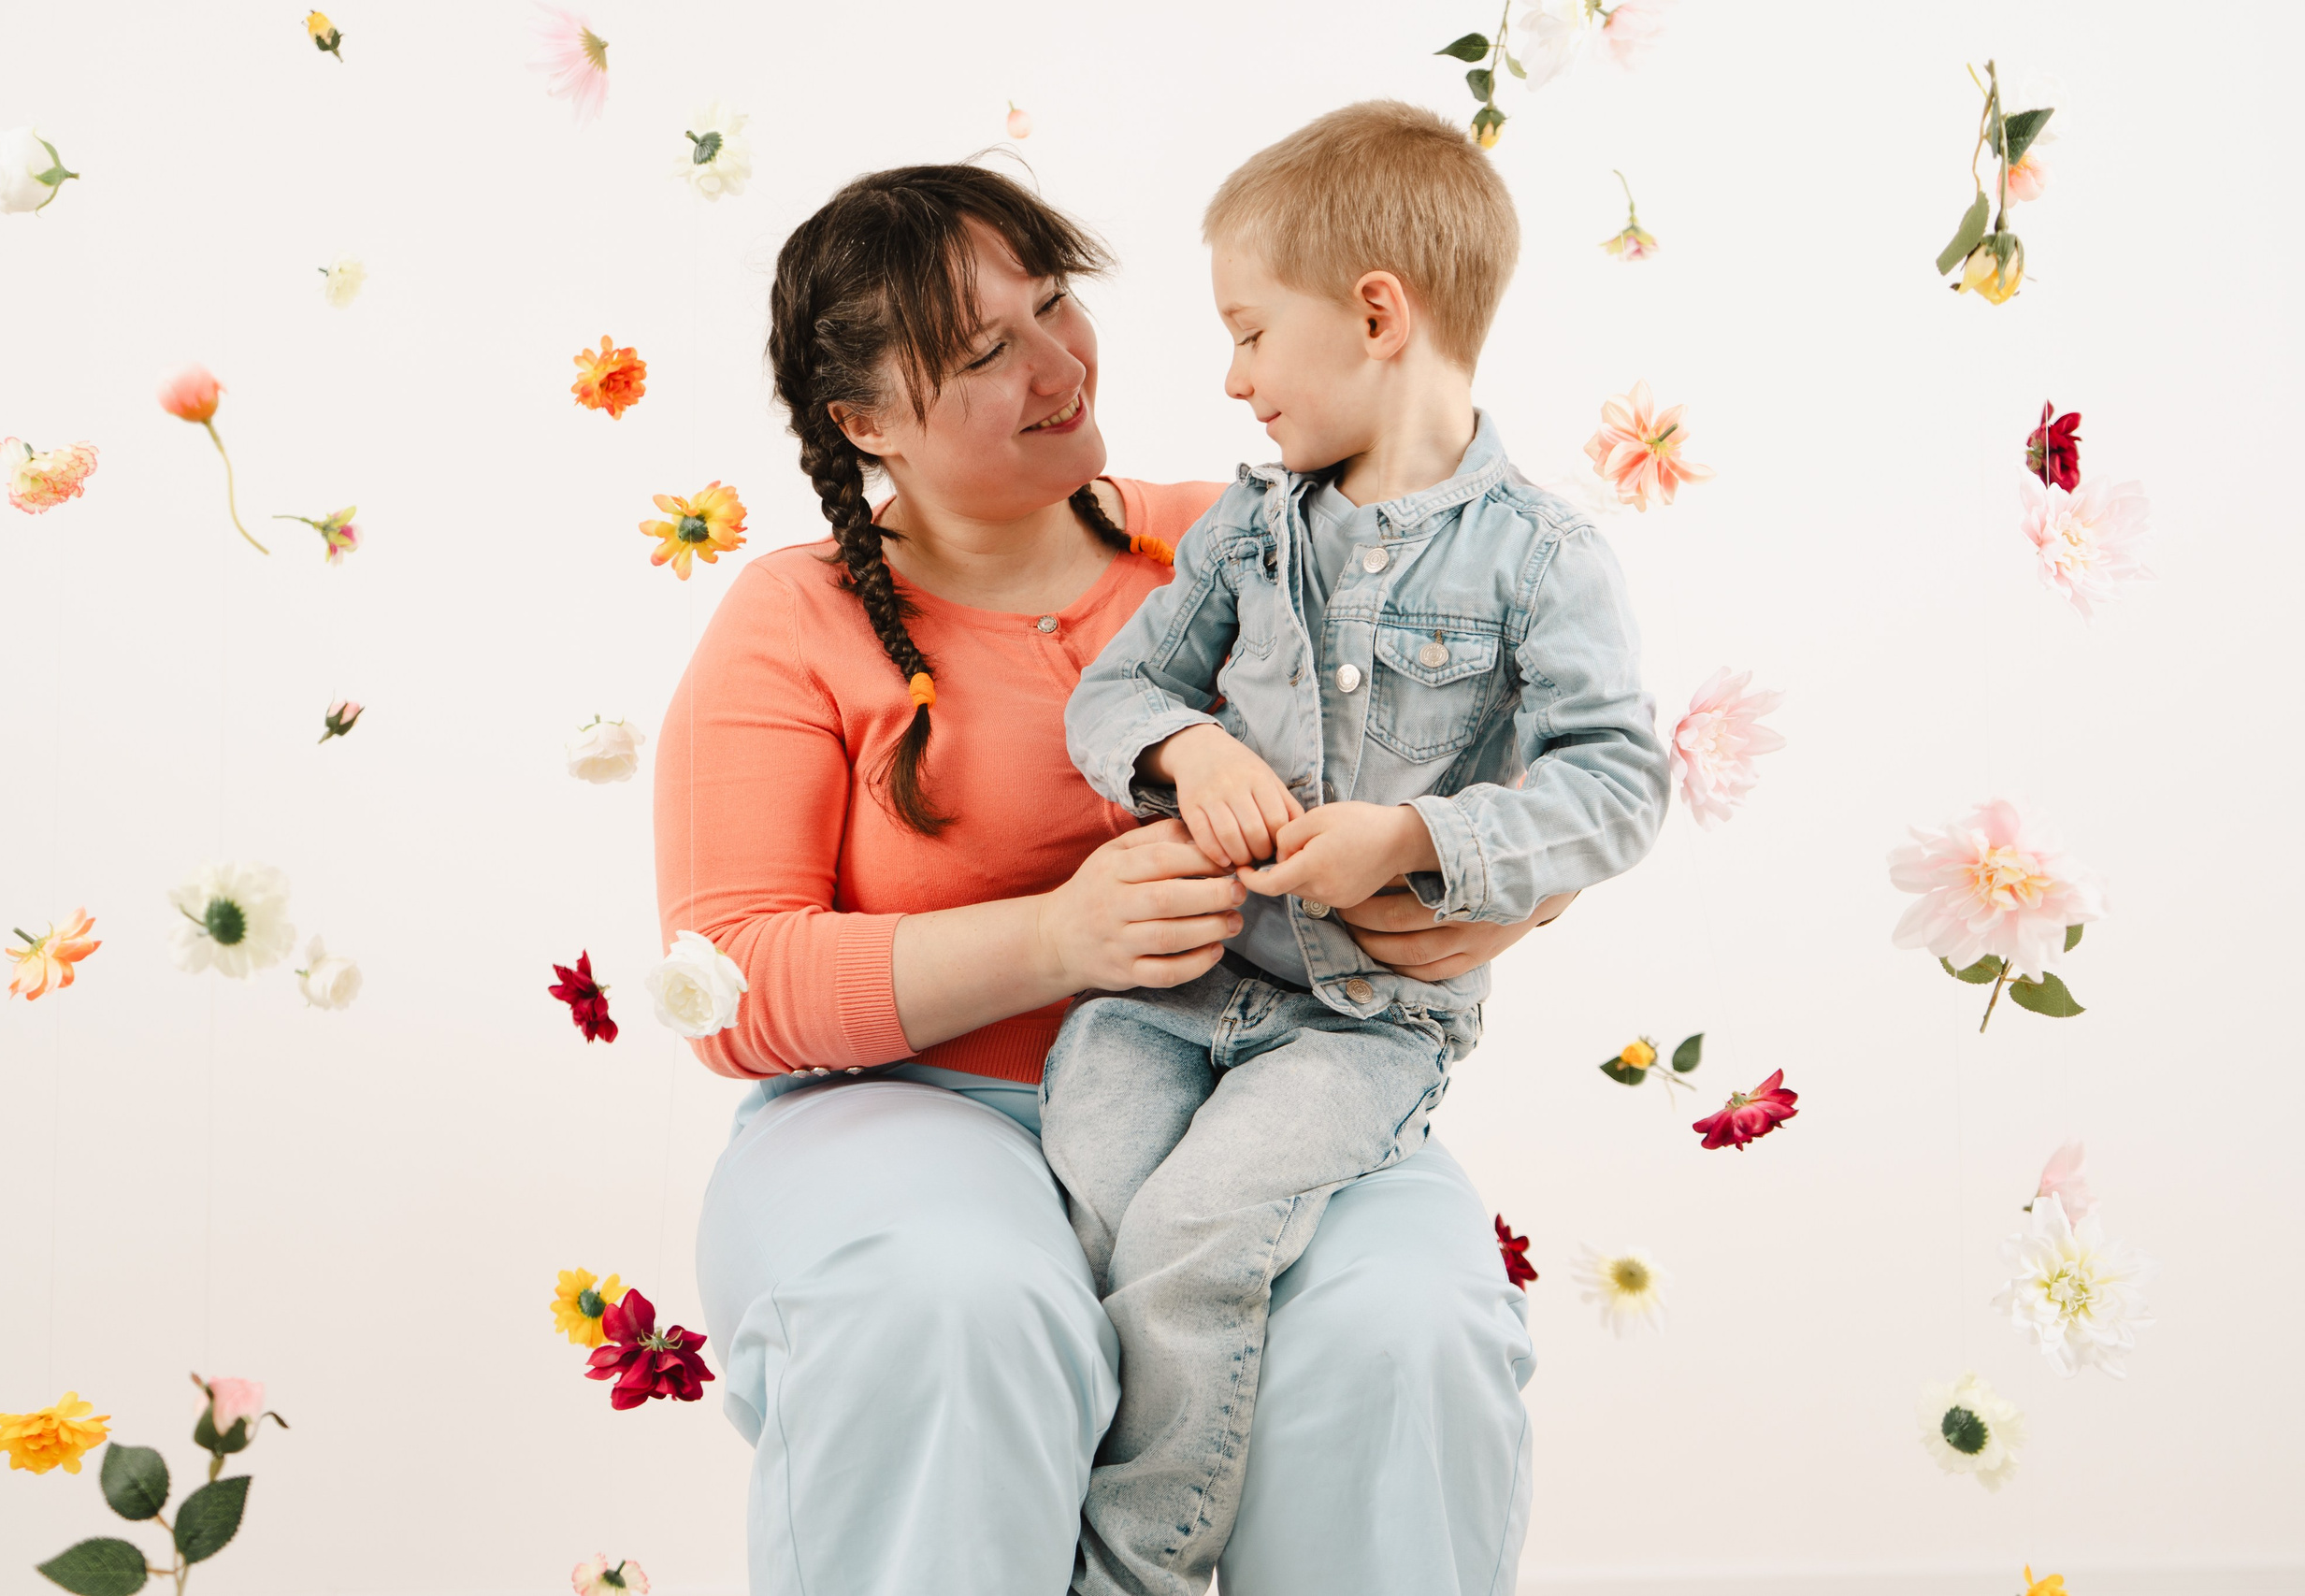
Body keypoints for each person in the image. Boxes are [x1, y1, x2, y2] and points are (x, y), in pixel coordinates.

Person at [656, 161, 1550, 1596]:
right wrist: (1063, 941)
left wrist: (1490, 888)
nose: (1060, 364)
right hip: (919, 1109)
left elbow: (1521, 734)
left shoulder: (1251, 536)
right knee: (952, 1310)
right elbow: (730, 980)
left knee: (1408, 1329)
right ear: (865, 421)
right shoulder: (792, 618)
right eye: (981, 351)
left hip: (1273, 1082)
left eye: (1056, 303)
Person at [1040, 101, 1672, 1596]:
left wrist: (1419, 836)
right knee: (1093, 1195)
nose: (1234, 376)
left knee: (1201, 1227)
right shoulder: (1250, 533)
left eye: (1253, 332)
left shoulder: (1541, 555)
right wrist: (1186, 749)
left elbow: (1621, 783)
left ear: (1377, 314)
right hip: (1176, 993)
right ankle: (1195, 1512)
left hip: (1358, 1026)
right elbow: (1116, 693)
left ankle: (1126, 1572)